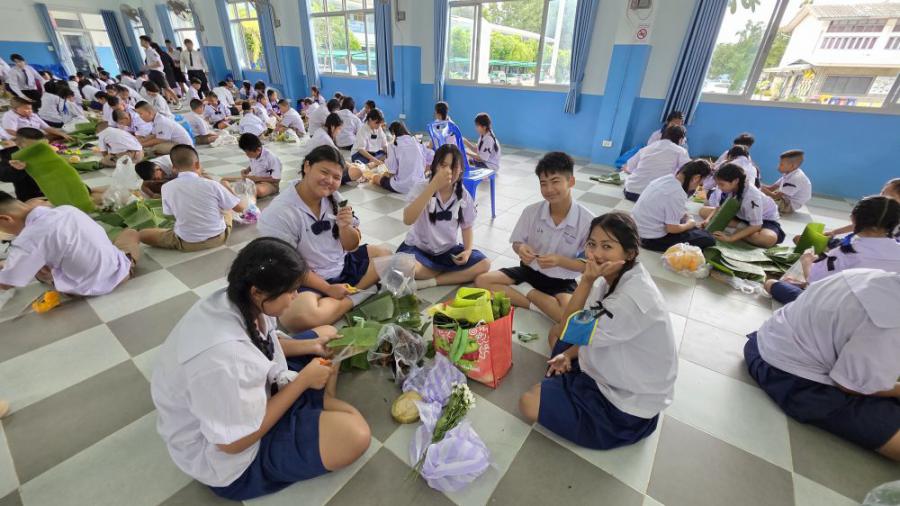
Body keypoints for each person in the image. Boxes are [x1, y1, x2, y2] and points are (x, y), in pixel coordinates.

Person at [151, 237, 371, 500]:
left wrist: (312, 346)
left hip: (254, 389)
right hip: (233, 459)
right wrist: (303, 381)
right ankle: (315, 402)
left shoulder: (240, 299)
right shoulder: (223, 361)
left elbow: (262, 344)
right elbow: (232, 444)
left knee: (327, 333)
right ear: (258, 292)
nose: (296, 297)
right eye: (291, 291)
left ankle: (316, 402)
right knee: (356, 435)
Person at [519, 212, 677, 450]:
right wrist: (569, 354)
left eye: (607, 246)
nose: (596, 254)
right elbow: (574, 325)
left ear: (630, 253)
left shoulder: (629, 298)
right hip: (609, 366)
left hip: (625, 406)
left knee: (529, 403)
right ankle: (569, 377)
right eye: (592, 244)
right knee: (555, 336)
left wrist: (585, 280)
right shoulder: (611, 277)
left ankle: (571, 386)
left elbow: (570, 329)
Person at [745, 268, 900, 461]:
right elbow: (850, 386)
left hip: (767, 339)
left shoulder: (872, 276)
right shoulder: (891, 320)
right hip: (785, 373)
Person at [257, 145, 390, 331]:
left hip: (342, 264)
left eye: (336, 177)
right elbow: (288, 266)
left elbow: (351, 246)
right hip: (307, 277)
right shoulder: (280, 212)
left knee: (388, 256)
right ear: (307, 166)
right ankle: (360, 295)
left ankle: (339, 301)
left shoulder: (335, 198)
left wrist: (345, 227)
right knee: (296, 317)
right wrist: (328, 289)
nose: (330, 181)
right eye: (324, 172)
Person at [475, 152, 593, 322]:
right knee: (482, 281)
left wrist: (560, 261)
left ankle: (525, 291)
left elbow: (586, 266)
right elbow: (517, 243)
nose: (549, 189)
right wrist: (521, 248)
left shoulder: (588, 221)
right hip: (529, 272)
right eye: (543, 183)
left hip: (561, 281)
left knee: (569, 317)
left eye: (555, 181)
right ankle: (541, 305)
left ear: (571, 181)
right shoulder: (531, 211)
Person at [0, 191, 141, 296]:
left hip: (83, 289)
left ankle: (53, 279)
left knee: (38, 268)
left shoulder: (27, 239)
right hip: (118, 269)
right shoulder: (67, 209)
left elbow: (6, 283)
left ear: (5, 219)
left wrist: (10, 268)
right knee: (130, 233)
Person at [766, 196, 900, 304]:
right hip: (879, 310)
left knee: (771, 283)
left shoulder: (849, 251)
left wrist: (806, 261)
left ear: (853, 218)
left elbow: (815, 280)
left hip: (835, 308)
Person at [398, 144, 490, 288]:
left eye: (454, 167)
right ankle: (444, 272)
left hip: (447, 251)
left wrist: (467, 251)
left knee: (485, 264)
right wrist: (433, 186)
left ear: (461, 170)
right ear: (435, 166)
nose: (449, 171)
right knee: (402, 264)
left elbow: (467, 227)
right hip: (418, 249)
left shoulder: (462, 194)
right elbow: (408, 219)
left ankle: (432, 280)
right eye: (443, 165)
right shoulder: (421, 187)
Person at [139, 144, 245, 252]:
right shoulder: (212, 184)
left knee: (142, 234)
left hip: (186, 242)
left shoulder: (166, 188)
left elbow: (170, 214)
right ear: (198, 164)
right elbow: (240, 208)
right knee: (227, 208)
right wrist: (229, 190)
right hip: (218, 238)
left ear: (173, 168)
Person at [632, 159, 716, 251]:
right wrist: (690, 224)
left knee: (695, 229)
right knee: (708, 238)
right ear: (696, 178)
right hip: (649, 239)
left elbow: (665, 207)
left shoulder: (665, 179)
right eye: (700, 184)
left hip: (635, 231)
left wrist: (686, 218)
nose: (697, 187)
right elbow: (672, 229)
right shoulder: (677, 193)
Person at [699, 163, 784, 247]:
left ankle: (737, 230)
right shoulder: (729, 188)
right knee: (703, 211)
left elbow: (757, 225)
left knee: (767, 239)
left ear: (735, 181)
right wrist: (708, 220)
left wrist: (730, 238)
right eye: (718, 184)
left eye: (721, 184)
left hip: (764, 220)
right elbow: (720, 207)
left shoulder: (751, 195)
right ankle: (742, 228)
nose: (719, 187)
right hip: (742, 218)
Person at [622, 125, 690, 202]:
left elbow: (629, 168)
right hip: (655, 197)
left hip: (631, 192)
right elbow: (689, 170)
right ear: (681, 140)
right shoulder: (681, 151)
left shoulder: (647, 148)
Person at [371, 121, 427, 194]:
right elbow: (424, 164)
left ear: (393, 133)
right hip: (420, 184)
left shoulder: (393, 145)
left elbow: (392, 172)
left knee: (375, 178)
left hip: (403, 186)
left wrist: (384, 174)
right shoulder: (416, 141)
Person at [228, 133, 282, 199]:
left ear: (258, 150)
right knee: (225, 179)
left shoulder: (271, 158)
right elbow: (255, 164)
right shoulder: (254, 153)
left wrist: (257, 178)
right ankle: (241, 189)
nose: (247, 155)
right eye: (245, 152)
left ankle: (237, 191)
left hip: (270, 184)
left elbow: (276, 179)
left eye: (248, 153)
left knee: (259, 191)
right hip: (255, 181)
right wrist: (247, 170)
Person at [0, 128, 47, 201]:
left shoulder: (45, 149)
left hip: (51, 190)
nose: (37, 149)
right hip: (31, 197)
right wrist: (17, 169)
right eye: (32, 147)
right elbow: (4, 175)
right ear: (19, 144)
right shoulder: (10, 153)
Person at [761, 149, 811, 214]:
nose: (778, 167)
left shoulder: (795, 178)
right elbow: (771, 188)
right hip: (783, 197)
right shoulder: (789, 173)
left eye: (781, 164)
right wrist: (757, 185)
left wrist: (762, 189)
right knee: (758, 195)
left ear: (792, 166)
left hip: (788, 205)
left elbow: (776, 196)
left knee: (759, 201)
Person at [2, 98, 72, 141]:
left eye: (30, 108)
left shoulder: (32, 115)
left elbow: (46, 128)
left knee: (60, 134)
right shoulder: (9, 116)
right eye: (26, 109)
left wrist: (61, 134)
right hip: (20, 140)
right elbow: (11, 131)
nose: (30, 111)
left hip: (37, 137)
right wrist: (32, 138)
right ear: (15, 109)